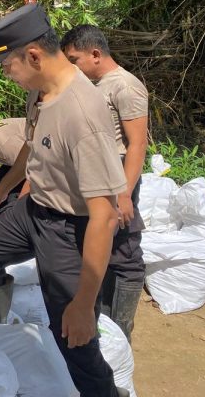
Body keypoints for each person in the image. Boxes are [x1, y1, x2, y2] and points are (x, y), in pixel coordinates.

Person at [0, 3, 129, 397]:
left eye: (8, 66)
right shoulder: (40, 93)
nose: (6, 74)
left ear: (34, 56)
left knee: (73, 335)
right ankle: (0, 321)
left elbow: (104, 216)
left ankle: (105, 391)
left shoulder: (82, 115)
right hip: (33, 209)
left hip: (69, 229)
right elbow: (31, 146)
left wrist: (84, 303)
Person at [61, 24, 148, 341]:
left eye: (75, 59)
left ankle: (121, 329)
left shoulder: (125, 86)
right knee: (99, 245)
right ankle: (104, 321)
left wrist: (124, 193)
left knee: (124, 251)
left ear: (95, 54)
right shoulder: (93, 85)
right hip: (97, 174)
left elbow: (137, 144)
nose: (72, 67)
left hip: (118, 175)